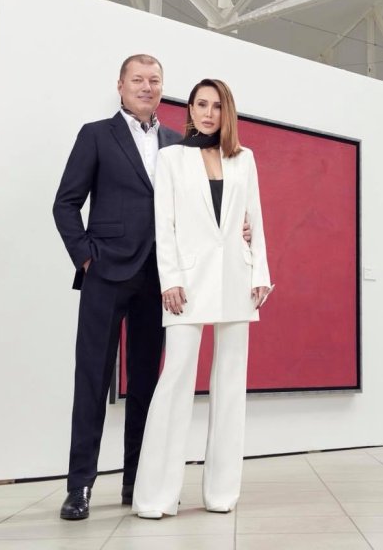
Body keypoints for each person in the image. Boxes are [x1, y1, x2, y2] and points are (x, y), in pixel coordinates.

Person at [53, 56, 251, 520]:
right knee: (92, 380)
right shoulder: (95, 135)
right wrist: (86, 256)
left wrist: (238, 229)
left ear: (163, 89)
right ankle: (79, 486)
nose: (146, 87)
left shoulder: (178, 144)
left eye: (154, 81)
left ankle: (135, 482)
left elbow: (204, 210)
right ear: (120, 85)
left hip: (161, 281)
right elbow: (65, 203)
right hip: (106, 274)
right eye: (138, 80)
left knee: (146, 384)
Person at [132, 78, 272, 519]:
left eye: (216, 106)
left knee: (231, 386)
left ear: (227, 112)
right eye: (201, 105)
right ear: (190, 110)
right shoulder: (171, 158)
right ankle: (155, 496)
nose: (208, 113)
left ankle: (222, 493)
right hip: (187, 283)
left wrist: (261, 274)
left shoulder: (244, 158)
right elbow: (165, 224)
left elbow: (254, 219)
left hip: (237, 280)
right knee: (175, 380)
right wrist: (169, 280)